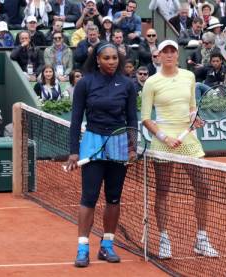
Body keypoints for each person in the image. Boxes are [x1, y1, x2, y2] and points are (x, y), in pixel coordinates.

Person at [141, 39, 218, 260]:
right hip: (163, 139)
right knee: (163, 191)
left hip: (188, 140)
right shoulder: (151, 83)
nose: (169, 55)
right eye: (164, 51)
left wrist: (195, 119)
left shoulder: (189, 76)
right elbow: (146, 118)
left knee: (203, 187)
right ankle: (164, 239)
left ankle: (201, 239)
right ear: (158, 55)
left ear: (177, 55)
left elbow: (192, 107)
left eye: (172, 51)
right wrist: (165, 137)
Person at [65, 41, 137, 268]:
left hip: (118, 145)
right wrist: (74, 152)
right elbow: (76, 119)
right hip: (93, 142)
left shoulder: (127, 85)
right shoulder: (85, 84)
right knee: (89, 197)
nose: (111, 62)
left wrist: (132, 146)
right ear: (97, 59)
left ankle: (107, 246)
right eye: (106, 58)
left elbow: (131, 119)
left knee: (113, 198)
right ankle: (83, 248)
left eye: (114, 58)